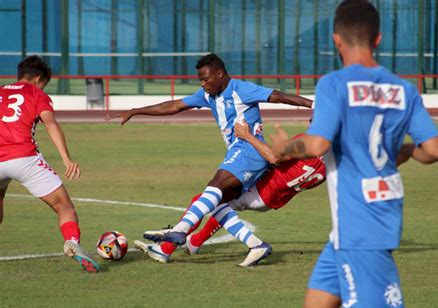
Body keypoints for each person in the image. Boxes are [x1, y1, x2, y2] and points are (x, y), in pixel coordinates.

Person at [270, 1, 438, 308]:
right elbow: (434, 150)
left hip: (361, 225)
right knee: (316, 307)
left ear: (336, 38)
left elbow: (317, 144)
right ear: (378, 39)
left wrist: (282, 149)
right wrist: (405, 151)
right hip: (362, 221)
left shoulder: (334, 84)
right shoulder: (403, 89)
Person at [107, 53, 313, 266]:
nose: (203, 84)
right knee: (214, 203)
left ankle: (180, 230)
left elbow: (278, 96)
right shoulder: (207, 95)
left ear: (219, 74)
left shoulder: (241, 89)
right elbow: (174, 106)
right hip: (239, 153)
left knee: (213, 188)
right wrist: (135, 111)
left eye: (206, 79)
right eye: (200, 80)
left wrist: (314, 105)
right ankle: (254, 245)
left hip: (249, 151)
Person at [135, 119, 326, 266]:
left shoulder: (307, 141)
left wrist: (247, 135)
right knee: (219, 204)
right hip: (274, 199)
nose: (310, 121)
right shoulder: (332, 157)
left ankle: (254, 244)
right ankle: (193, 242)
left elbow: (273, 157)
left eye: (314, 118)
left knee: (206, 200)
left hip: (262, 189)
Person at [0, 55, 100, 273]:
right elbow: (50, 123)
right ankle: (72, 242)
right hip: (24, 158)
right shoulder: (37, 93)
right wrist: (66, 158)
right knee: (64, 206)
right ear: (38, 79)